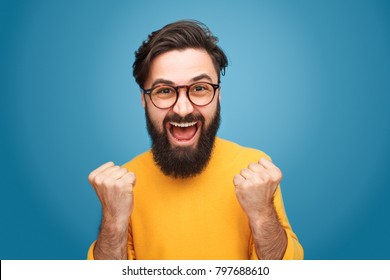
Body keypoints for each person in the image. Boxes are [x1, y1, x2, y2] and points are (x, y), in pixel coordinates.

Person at [87, 20, 303, 260]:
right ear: (144, 100)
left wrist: (262, 214)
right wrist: (114, 222)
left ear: (218, 95)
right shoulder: (122, 187)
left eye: (199, 88)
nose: (182, 108)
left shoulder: (255, 170)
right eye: (164, 91)